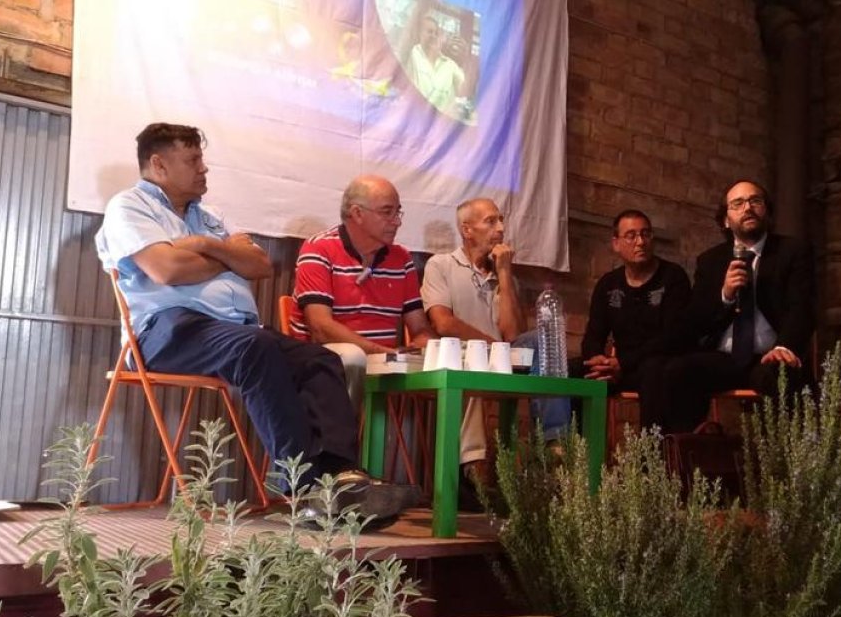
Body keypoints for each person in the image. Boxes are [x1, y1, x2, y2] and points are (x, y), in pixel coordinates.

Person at [95, 123, 413, 525]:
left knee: (321, 360)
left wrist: (208, 245)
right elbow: (166, 268)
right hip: (165, 331)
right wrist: (228, 256)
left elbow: (260, 265)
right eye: (193, 160)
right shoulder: (130, 207)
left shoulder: (208, 218)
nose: (203, 169)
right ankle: (305, 487)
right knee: (255, 350)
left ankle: (340, 477)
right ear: (158, 164)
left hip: (231, 331)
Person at [647, 180, 815, 433]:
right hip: (725, 357)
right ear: (726, 219)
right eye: (738, 203)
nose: (748, 207)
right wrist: (724, 295)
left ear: (766, 211)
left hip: (770, 355)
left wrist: (785, 346)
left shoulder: (792, 251)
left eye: (755, 201)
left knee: (779, 378)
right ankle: (677, 461)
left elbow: (801, 307)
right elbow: (696, 319)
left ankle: (784, 466)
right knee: (674, 372)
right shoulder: (710, 260)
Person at [420, 198, 568, 480]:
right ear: (467, 229)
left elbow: (514, 336)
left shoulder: (507, 278)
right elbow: (442, 322)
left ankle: (554, 444)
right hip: (460, 355)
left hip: (502, 359)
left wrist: (504, 273)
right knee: (476, 367)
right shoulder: (441, 265)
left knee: (540, 340)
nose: (500, 228)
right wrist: (492, 347)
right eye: (491, 221)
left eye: (501, 221)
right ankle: (469, 471)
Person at [289, 175, 436, 411]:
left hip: (382, 362)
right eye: (387, 212)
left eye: (398, 212)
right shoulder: (318, 248)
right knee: (352, 357)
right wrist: (383, 353)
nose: (397, 222)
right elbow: (320, 328)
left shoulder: (402, 258)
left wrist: (427, 349)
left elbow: (419, 328)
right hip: (320, 359)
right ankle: (342, 443)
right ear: (357, 214)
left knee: (447, 357)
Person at [577, 209, 690, 393]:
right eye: (631, 236)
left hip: (656, 364)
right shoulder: (608, 284)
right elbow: (593, 335)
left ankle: (651, 425)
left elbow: (673, 338)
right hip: (616, 368)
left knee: (655, 371)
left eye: (645, 234)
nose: (640, 242)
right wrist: (598, 361)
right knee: (573, 371)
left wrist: (623, 363)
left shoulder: (673, 276)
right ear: (616, 244)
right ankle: (572, 424)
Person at [408, 16, 465, 115]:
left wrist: (464, 60)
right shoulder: (412, 54)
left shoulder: (450, 64)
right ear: (419, 33)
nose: (433, 36)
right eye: (430, 32)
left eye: (436, 33)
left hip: (439, 124)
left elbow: (465, 93)